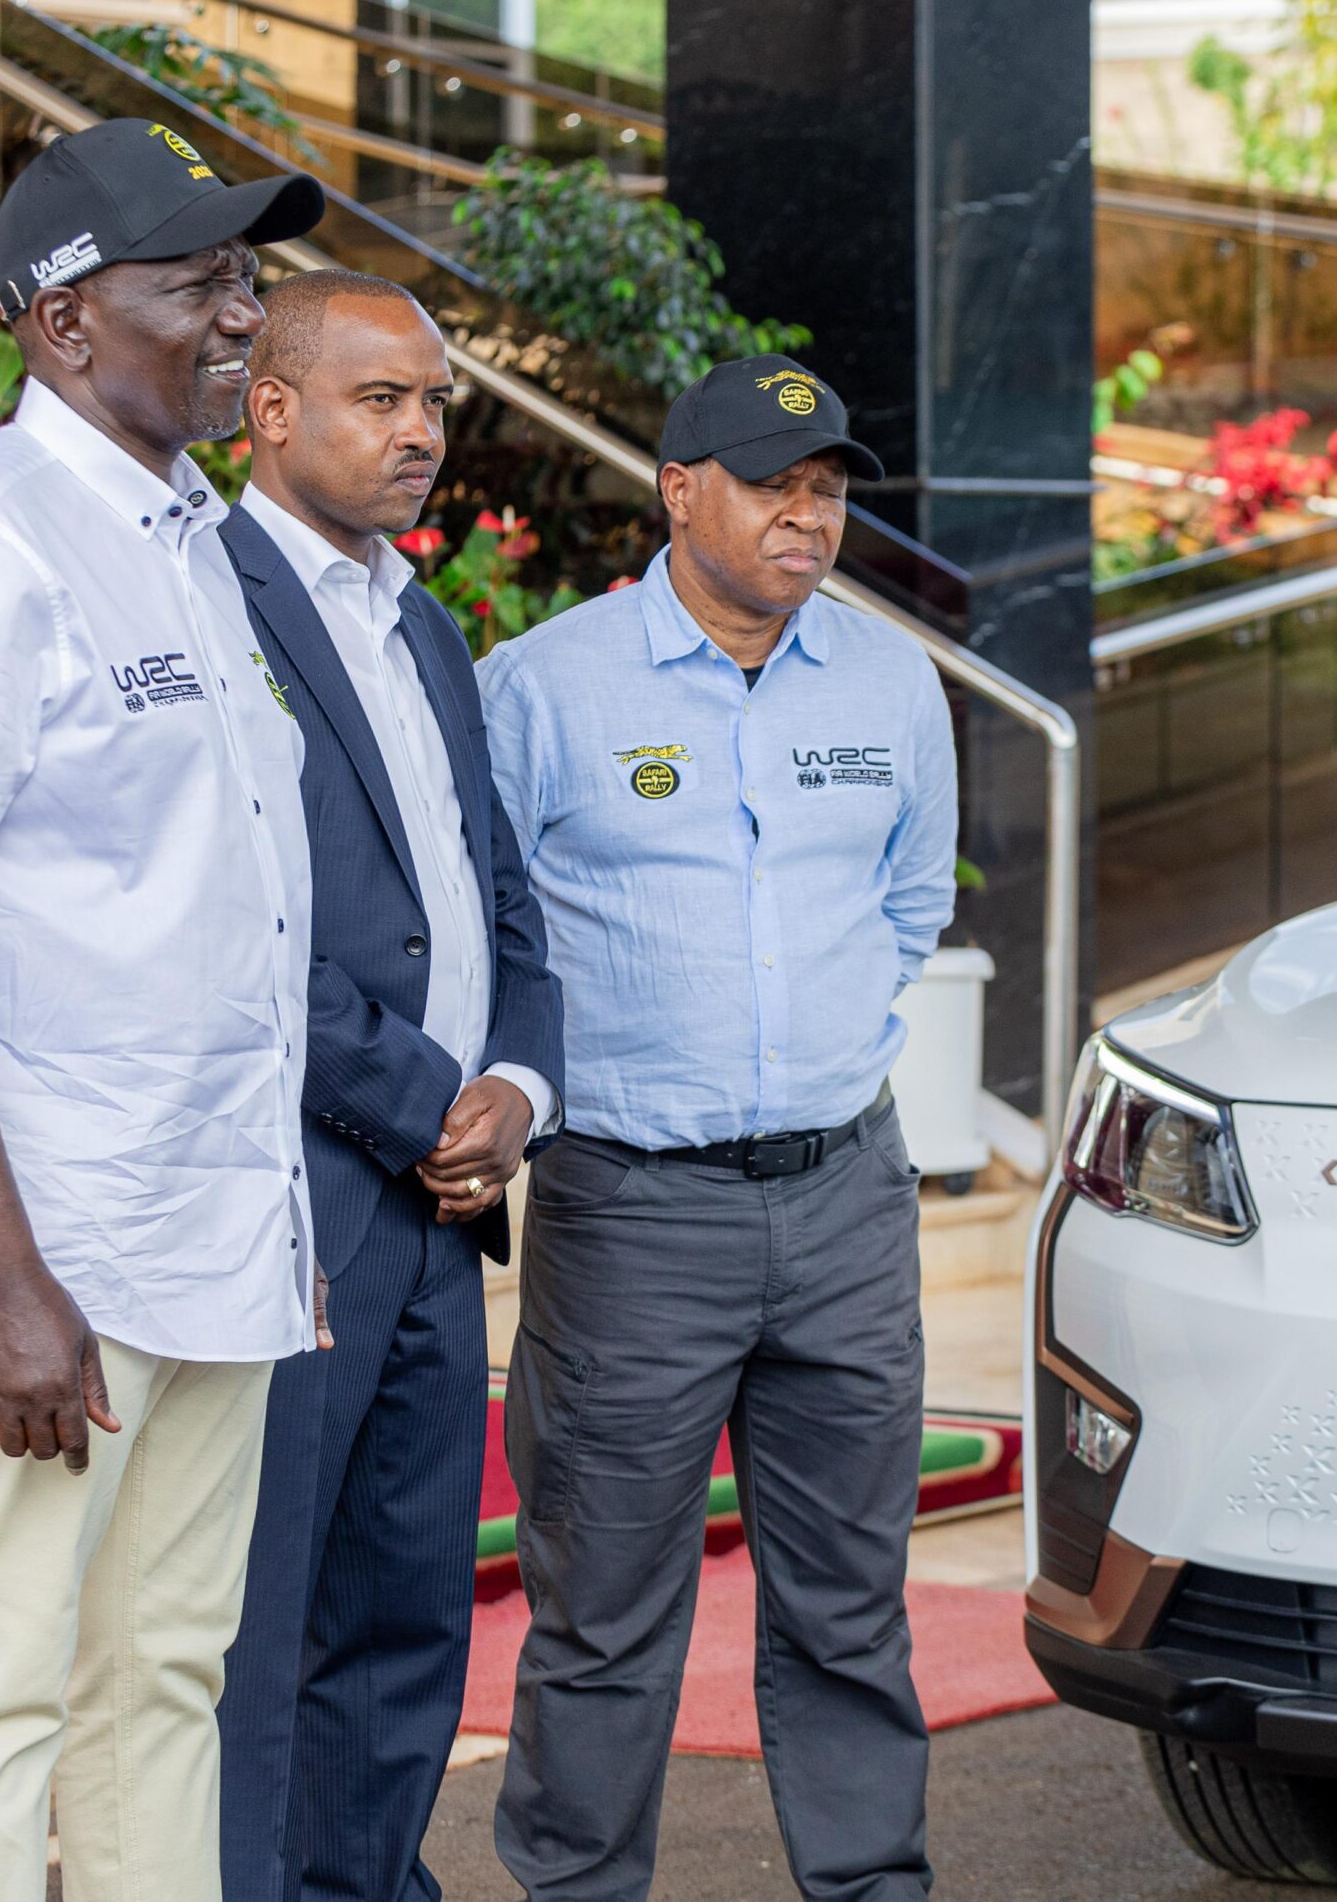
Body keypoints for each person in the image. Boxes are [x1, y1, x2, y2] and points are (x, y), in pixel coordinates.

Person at [0, 118, 326, 1901]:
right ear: (59, 320)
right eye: (194, 281)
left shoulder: (191, 536)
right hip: (55, 1243)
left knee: (164, 1680)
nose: (238, 317)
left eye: (245, 278)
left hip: (208, 1226)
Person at [478, 355, 956, 1901]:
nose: (807, 516)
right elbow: (488, 925)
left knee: (850, 1600)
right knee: (606, 1606)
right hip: (633, 1211)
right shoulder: (546, 686)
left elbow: (908, 901)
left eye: (826, 489)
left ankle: (871, 1881)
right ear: (680, 491)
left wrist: (803, 1052)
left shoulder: (890, 682)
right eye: (773, 484)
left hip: (845, 1200)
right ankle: (576, 1885)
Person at [215, 270, 565, 1902]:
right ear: (271, 408)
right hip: (296, 1204)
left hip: (442, 1215)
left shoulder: (419, 616)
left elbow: (499, 896)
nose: (423, 430)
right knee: (255, 1623)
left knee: (411, 1615)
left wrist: (513, 1085)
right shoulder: (206, 601)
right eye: (383, 399)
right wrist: (424, 1102)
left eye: (435, 401)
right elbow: (232, 924)